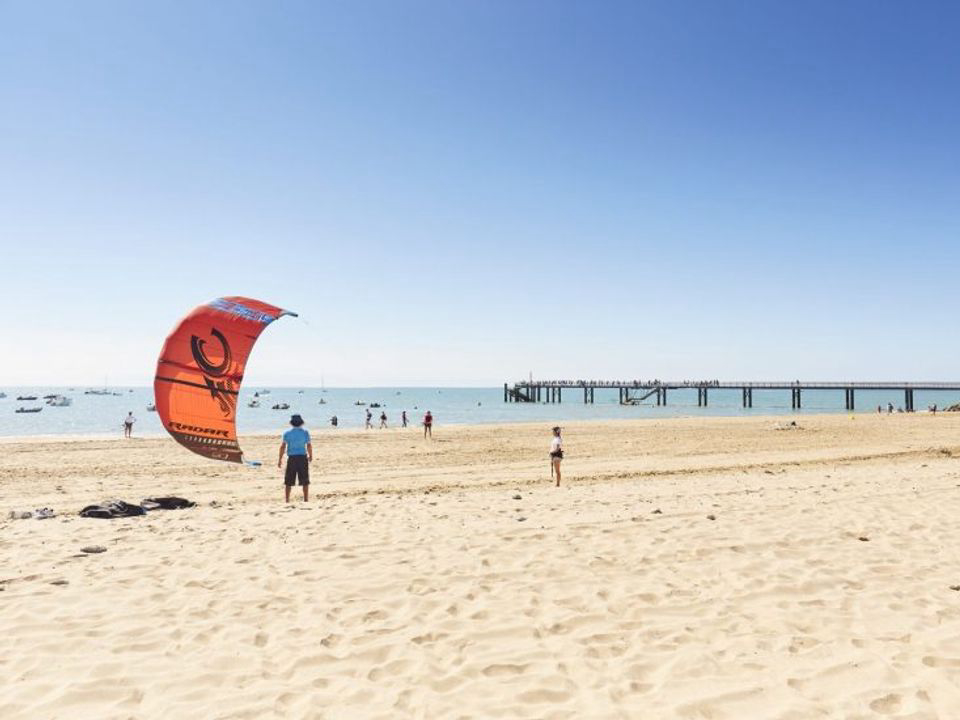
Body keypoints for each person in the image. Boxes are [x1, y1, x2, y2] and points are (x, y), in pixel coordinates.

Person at [278, 414, 312, 502]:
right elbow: (308, 445)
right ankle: (306, 499)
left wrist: (280, 459)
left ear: (291, 423)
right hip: (302, 458)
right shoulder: (305, 433)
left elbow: (282, 447)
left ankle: (287, 500)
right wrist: (310, 455)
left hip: (292, 458)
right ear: (301, 423)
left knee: (288, 480)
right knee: (305, 479)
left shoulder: (287, 433)